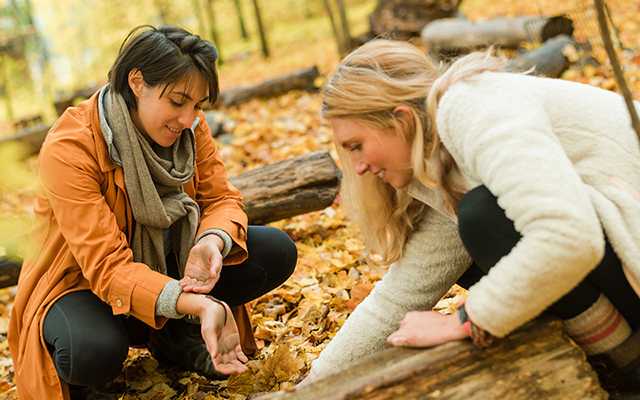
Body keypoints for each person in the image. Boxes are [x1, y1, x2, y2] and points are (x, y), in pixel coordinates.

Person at [302, 39, 640, 394]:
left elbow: (569, 236)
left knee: (483, 219)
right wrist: (311, 388)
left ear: (400, 119)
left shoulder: (472, 108)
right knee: (476, 231)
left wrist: (466, 320)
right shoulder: (445, 170)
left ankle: (629, 368)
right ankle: (626, 362)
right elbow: (396, 301)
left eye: (357, 145)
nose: (358, 167)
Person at [8, 25, 297, 400]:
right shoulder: (70, 147)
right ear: (138, 82)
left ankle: (175, 338)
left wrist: (212, 240)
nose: (187, 117)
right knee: (93, 351)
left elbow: (222, 199)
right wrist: (198, 303)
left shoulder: (189, 127)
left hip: (168, 267)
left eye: (197, 105)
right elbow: (106, 268)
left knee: (274, 251)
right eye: (177, 101)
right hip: (80, 284)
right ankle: (85, 381)